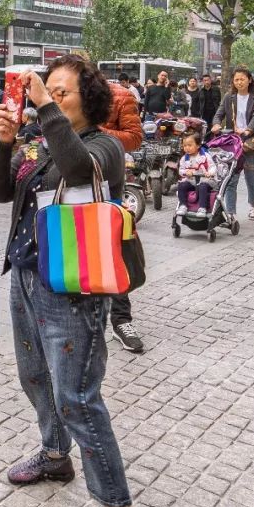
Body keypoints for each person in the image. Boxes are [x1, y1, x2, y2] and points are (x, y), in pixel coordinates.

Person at [0, 55, 150, 507]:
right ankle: (56, 455)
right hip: (26, 277)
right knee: (34, 376)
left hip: (74, 290)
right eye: (47, 91)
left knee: (77, 399)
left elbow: (79, 170)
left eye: (62, 93)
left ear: (88, 99)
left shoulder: (104, 145)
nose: (52, 99)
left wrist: (43, 107)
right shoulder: (41, 146)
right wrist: (4, 142)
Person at [102, 79, 145, 354]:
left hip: (109, 184)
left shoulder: (119, 95)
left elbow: (134, 137)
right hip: (70, 183)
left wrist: (96, 134)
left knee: (114, 252)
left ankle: (121, 320)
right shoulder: (59, 95)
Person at [211, 67, 254, 221]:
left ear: (249, 80)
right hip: (232, 143)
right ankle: (231, 213)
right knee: (231, 178)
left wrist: (247, 130)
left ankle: (253, 206)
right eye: (236, 80)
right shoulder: (229, 97)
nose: (239, 82)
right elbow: (219, 114)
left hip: (250, 142)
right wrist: (216, 124)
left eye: (242, 79)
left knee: (251, 177)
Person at [176, 132, 217, 216]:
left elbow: (213, 167)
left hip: (205, 180)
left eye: (189, 145)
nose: (187, 148)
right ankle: (183, 205)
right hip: (192, 181)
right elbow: (181, 170)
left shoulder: (205, 156)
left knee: (203, 186)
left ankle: (202, 208)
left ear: (198, 145)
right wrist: (186, 172)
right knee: (182, 185)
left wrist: (210, 172)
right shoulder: (184, 158)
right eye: (185, 146)